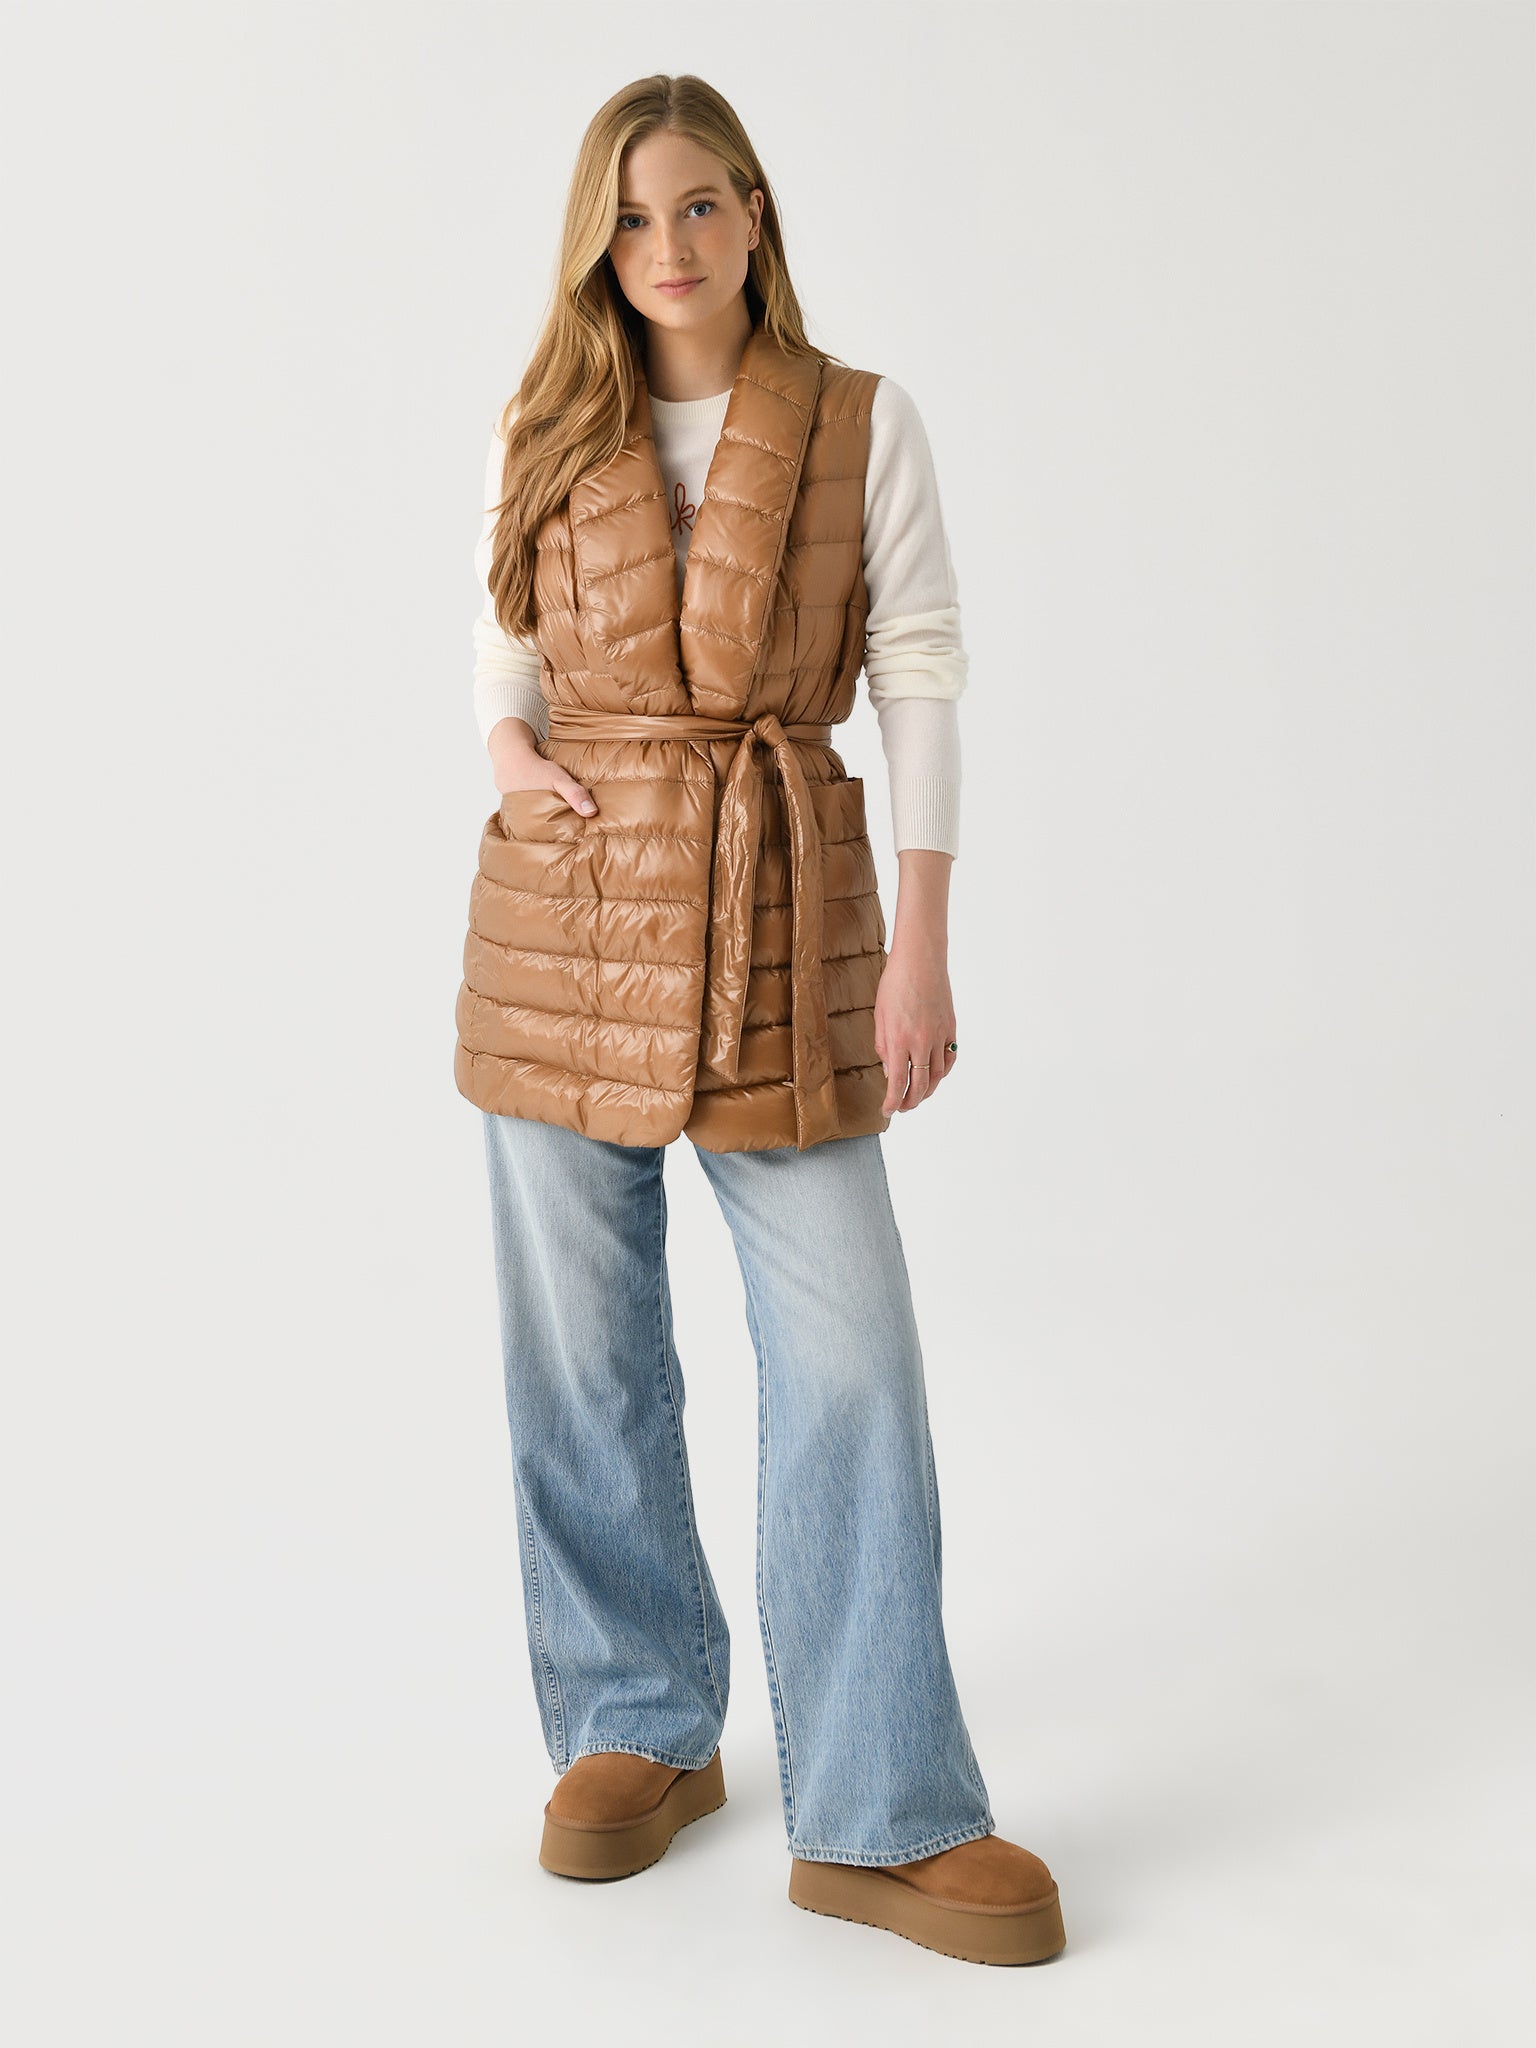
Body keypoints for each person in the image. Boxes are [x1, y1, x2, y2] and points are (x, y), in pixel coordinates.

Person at [452, 72, 1066, 1968]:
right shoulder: (551, 418)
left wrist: (922, 943)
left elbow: (920, 667)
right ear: (599, 243)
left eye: (700, 205)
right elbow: (503, 644)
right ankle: (637, 1723)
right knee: (580, 1355)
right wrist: (507, 753)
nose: (671, 246)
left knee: (850, 1356)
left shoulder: (862, 420)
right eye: (634, 218)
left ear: (756, 212)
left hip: (789, 912)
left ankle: (881, 1807)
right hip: (563, 926)